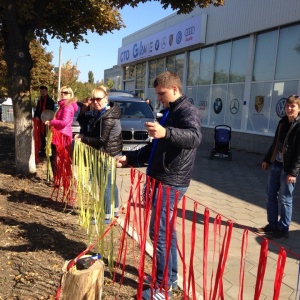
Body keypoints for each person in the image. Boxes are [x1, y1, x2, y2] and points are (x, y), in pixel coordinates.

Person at [117, 71, 202, 299]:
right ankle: (168, 278)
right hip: (161, 178)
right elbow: (155, 147)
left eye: (162, 94)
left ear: (174, 89)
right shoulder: (169, 112)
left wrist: (167, 132)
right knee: (165, 233)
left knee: (160, 234)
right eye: (157, 95)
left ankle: (163, 288)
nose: (159, 98)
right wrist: (131, 159)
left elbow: (194, 137)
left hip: (171, 181)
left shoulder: (187, 111)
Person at [74, 86, 123, 223]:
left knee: (105, 185)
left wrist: (82, 138)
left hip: (107, 154)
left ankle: (107, 216)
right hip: (106, 152)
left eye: (98, 99)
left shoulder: (107, 116)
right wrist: (84, 110)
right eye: (93, 99)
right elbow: (85, 125)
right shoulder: (99, 112)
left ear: (106, 99)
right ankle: (114, 211)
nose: (95, 102)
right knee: (110, 183)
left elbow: (101, 140)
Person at [257, 95, 300, 239]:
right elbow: (275, 143)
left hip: (288, 169)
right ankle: (272, 225)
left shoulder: (299, 126)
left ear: (298, 108)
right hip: (276, 164)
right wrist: (267, 160)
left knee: (285, 199)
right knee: (270, 195)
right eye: (287, 106)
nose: (289, 108)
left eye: (292, 106)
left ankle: (283, 229)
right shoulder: (282, 122)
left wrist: (293, 172)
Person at [44, 86, 77, 180]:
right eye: (62, 92)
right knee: (59, 159)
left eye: (66, 93)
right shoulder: (63, 105)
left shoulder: (67, 106)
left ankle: (59, 180)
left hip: (61, 136)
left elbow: (64, 122)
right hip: (60, 135)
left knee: (57, 159)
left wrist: (51, 122)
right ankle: (60, 180)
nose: (63, 94)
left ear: (71, 95)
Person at [33, 85, 55, 156]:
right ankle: (42, 150)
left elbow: (50, 111)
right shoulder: (39, 101)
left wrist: (46, 119)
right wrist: (36, 116)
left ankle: (48, 151)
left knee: (48, 136)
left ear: (46, 91)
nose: (42, 93)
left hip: (47, 121)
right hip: (40, 121)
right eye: (41, 91)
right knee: (41, 136)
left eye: (43, 91)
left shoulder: (50, 101)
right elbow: (37, 110)